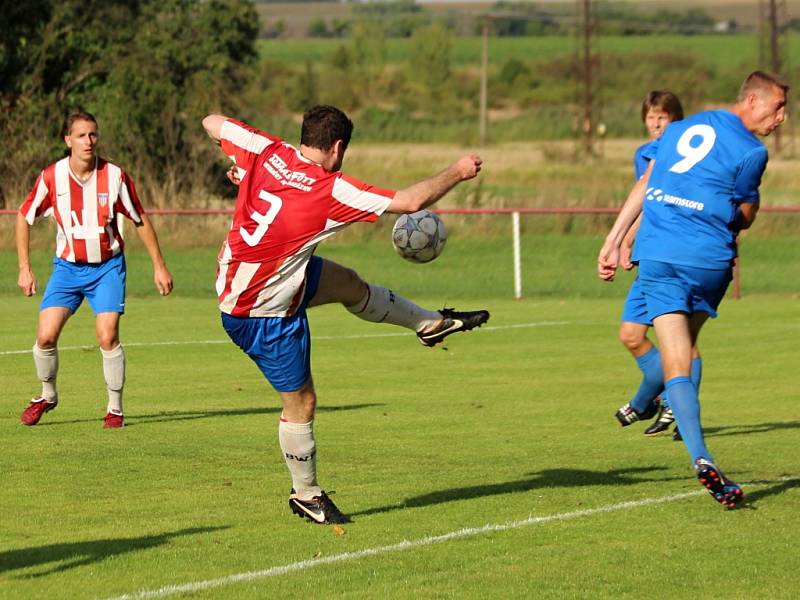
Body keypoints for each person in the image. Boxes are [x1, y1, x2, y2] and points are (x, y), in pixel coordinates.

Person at [202, 105, 489, 525]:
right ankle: (306, 494)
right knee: (301, 402)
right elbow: (411, 201)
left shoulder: (267, 150)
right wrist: (458, 171)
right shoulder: (328, 189)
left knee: (350, 285)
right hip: (260, 311)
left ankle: (429, 325)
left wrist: (244, 172)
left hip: (245, 276)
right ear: (337, 147)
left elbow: (211, 122)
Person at [597, 71, 788, 508]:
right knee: (680, 352)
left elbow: (646, 183)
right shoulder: (752, 152)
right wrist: (735, 215)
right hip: (707, 263)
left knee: (674, 358)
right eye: (778, 107)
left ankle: (698, 452)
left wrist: (613, 239)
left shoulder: (680, 129)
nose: (783, 117)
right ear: (753, 100)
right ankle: (652, 411)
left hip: (658, 256)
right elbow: (743, 213)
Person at [17, 111, 173, 428]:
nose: (88, 141)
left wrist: (159, 266)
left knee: (107, 335)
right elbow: (23, 216)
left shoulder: (115, 176)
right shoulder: (52, 177)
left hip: (107, 268)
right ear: (67, 140)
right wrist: (24, 267)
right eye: (81, 135)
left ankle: (114, 409)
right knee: (45, 336)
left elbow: (139, 220)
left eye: (93, 135)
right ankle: (47, 395)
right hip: (67, 269)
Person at [615, 90, 693, 440]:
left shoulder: (687, 153)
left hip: (676, 253)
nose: (656, 123)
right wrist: (626, 240)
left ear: (677, 119)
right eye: (651, 117)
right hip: (650, 251)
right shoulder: (643, 154)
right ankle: (658, 400)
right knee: (632, 335)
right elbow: (647, 202)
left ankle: (667, 405)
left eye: (663, 116)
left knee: (682, 338)